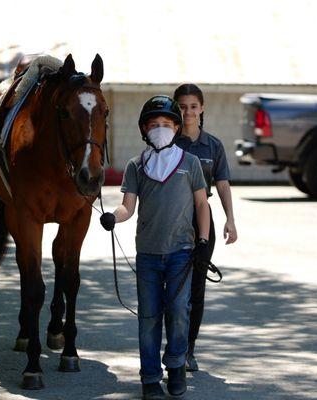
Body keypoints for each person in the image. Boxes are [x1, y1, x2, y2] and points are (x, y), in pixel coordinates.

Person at [99, 96, 210, 399]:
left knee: (178, 311)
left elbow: (202, 205)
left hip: (182, 253)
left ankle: (175, 365)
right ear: (144, 130)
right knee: (149, 318)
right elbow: (127, 207)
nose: (160, 129)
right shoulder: (137, 165)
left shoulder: (191, 163)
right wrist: (113, 217)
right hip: (147, 255)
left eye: (166, 124)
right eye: (153, 125)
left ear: (176, 127)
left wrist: (202, 241)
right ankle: (150, 378)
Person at [173, 83, 238, 372]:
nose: (187, 112)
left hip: (202, 221)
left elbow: (222, 184)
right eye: (182, 106)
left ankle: (188, 350)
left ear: (202, 109)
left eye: (192, 106)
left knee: (196, 290)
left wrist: (230, 219)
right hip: (171, 220)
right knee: (173, 290)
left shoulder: (213, 145)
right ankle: (172, 348)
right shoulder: (167, 142)